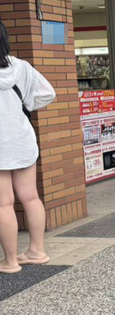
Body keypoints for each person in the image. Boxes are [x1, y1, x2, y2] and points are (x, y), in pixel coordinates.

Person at [0, 21, 56, 274]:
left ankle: (10, 261)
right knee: (30, 196)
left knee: (3, 204)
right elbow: (48, 93)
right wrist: (23, 107)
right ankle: (37, 251)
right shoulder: (20, 66)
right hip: (22, 138)